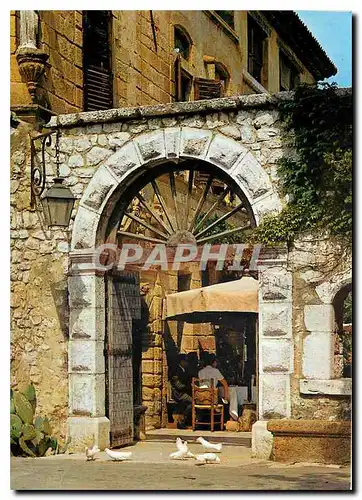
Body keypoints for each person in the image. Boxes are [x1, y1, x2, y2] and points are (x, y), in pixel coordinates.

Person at [170, 354, 193, 429]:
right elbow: (178, 385)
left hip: (183, 392)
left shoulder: (183, 370)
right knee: (193, 403)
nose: (187, 363)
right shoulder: (176, 371)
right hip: (179, 394)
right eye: (186, 361)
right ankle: (182, 419)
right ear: (182, 362)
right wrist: (189, 387)